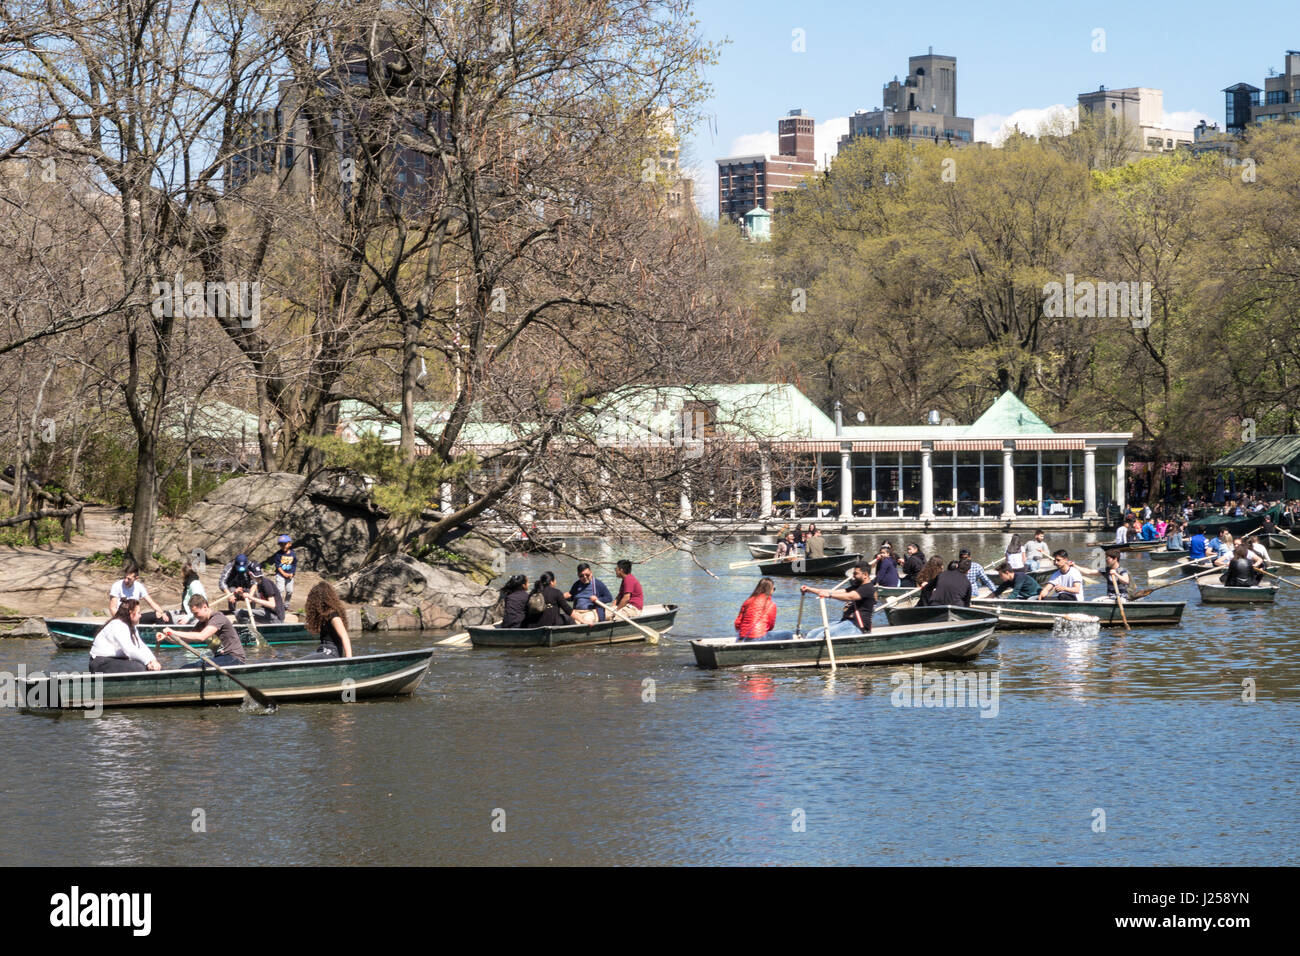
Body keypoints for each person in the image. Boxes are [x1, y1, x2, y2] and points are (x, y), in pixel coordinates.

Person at [799, 563, 876, 637]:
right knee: (811, 634)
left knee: (822, 636)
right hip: (846, 623)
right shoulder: (856, 587)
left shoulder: (868, 588)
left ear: (865, 575)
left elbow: (850, 596)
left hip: (857, 626)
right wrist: (809, 589)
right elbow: (832, 592)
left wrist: (829, 596)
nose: (853, 576)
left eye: (856, 573)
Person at [168, 595, 246, 667]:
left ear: (205, 607)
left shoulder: (218, 618)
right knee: (187, 667)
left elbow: (202, 636)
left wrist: (173, 632)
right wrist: (167, 637)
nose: (195, 616)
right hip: (220, 658)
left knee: (196, 666)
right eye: (193, 614)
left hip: (234, 658)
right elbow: (184, 640)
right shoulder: (201, 623)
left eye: (196, 613)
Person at [88, 599, 162, 673]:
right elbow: (129, 650)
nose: (140, 615)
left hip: (116, 660)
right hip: (100, 663)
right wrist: (147, 662)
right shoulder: (117, 625)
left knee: (144, 665)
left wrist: (152, 660)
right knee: (139, 667)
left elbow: (141, 646)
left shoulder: (131, 626)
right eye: (138, 613)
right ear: (131, 613)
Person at [300, 581, 353, 658]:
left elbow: (345, 636)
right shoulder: (324, 616)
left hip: (331, 652)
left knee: (297, 662)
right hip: (323, 650)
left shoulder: (333, 616)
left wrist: (349, 659)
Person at [267, 534, 297, 603]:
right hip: (280, 574)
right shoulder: (278, 554)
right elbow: (278, 566)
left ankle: (286, 604)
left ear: (290, 544)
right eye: (281, 544)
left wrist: (292, 573)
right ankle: (279, 604)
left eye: (285, 544)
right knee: (280, 590)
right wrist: (283, 573)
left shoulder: (293, 554)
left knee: (290, 591)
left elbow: (294, 564)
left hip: (290, 575)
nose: (283, 546)